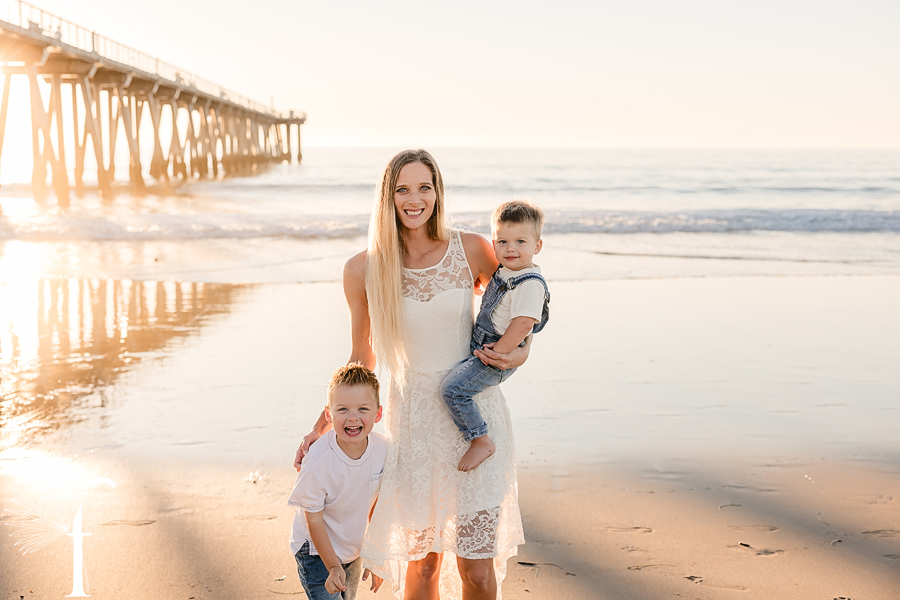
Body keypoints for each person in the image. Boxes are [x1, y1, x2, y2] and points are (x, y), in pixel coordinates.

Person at [294, 149, 529, 600]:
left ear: (438, 193)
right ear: (389, 197)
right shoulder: (363, 268)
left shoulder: (472, 249)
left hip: (474, 423)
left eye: (425, 187)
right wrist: (321, 424)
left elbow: (524, 300)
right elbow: (361, 359)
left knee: (476, 572)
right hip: (415, 429)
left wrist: (520, 354)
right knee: (422, 569)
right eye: (403, 189)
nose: (414, 199)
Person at [440, 201, 549, 472]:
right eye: (503, 241)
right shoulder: (508, 271)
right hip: (487, 345)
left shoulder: (530, 283)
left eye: (520, 241)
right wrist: (482, 287)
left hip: (496, 353)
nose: (510, 249)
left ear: (537, 246)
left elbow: (524, 322)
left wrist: (500, 353)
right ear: (494, 243)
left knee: (453, 390)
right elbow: (500, 297)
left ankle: (480, 440)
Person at [288, 363, 387, 600]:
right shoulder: (318, 462)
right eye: (342, 409)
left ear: (378, 413)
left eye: (363, 408)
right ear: (328, 415)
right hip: (314, 549)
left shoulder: (383, 450)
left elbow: (379, 506)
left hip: (352, 545)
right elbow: (314, 518)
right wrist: (332, 566)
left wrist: (376, 555)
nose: (353, 418)